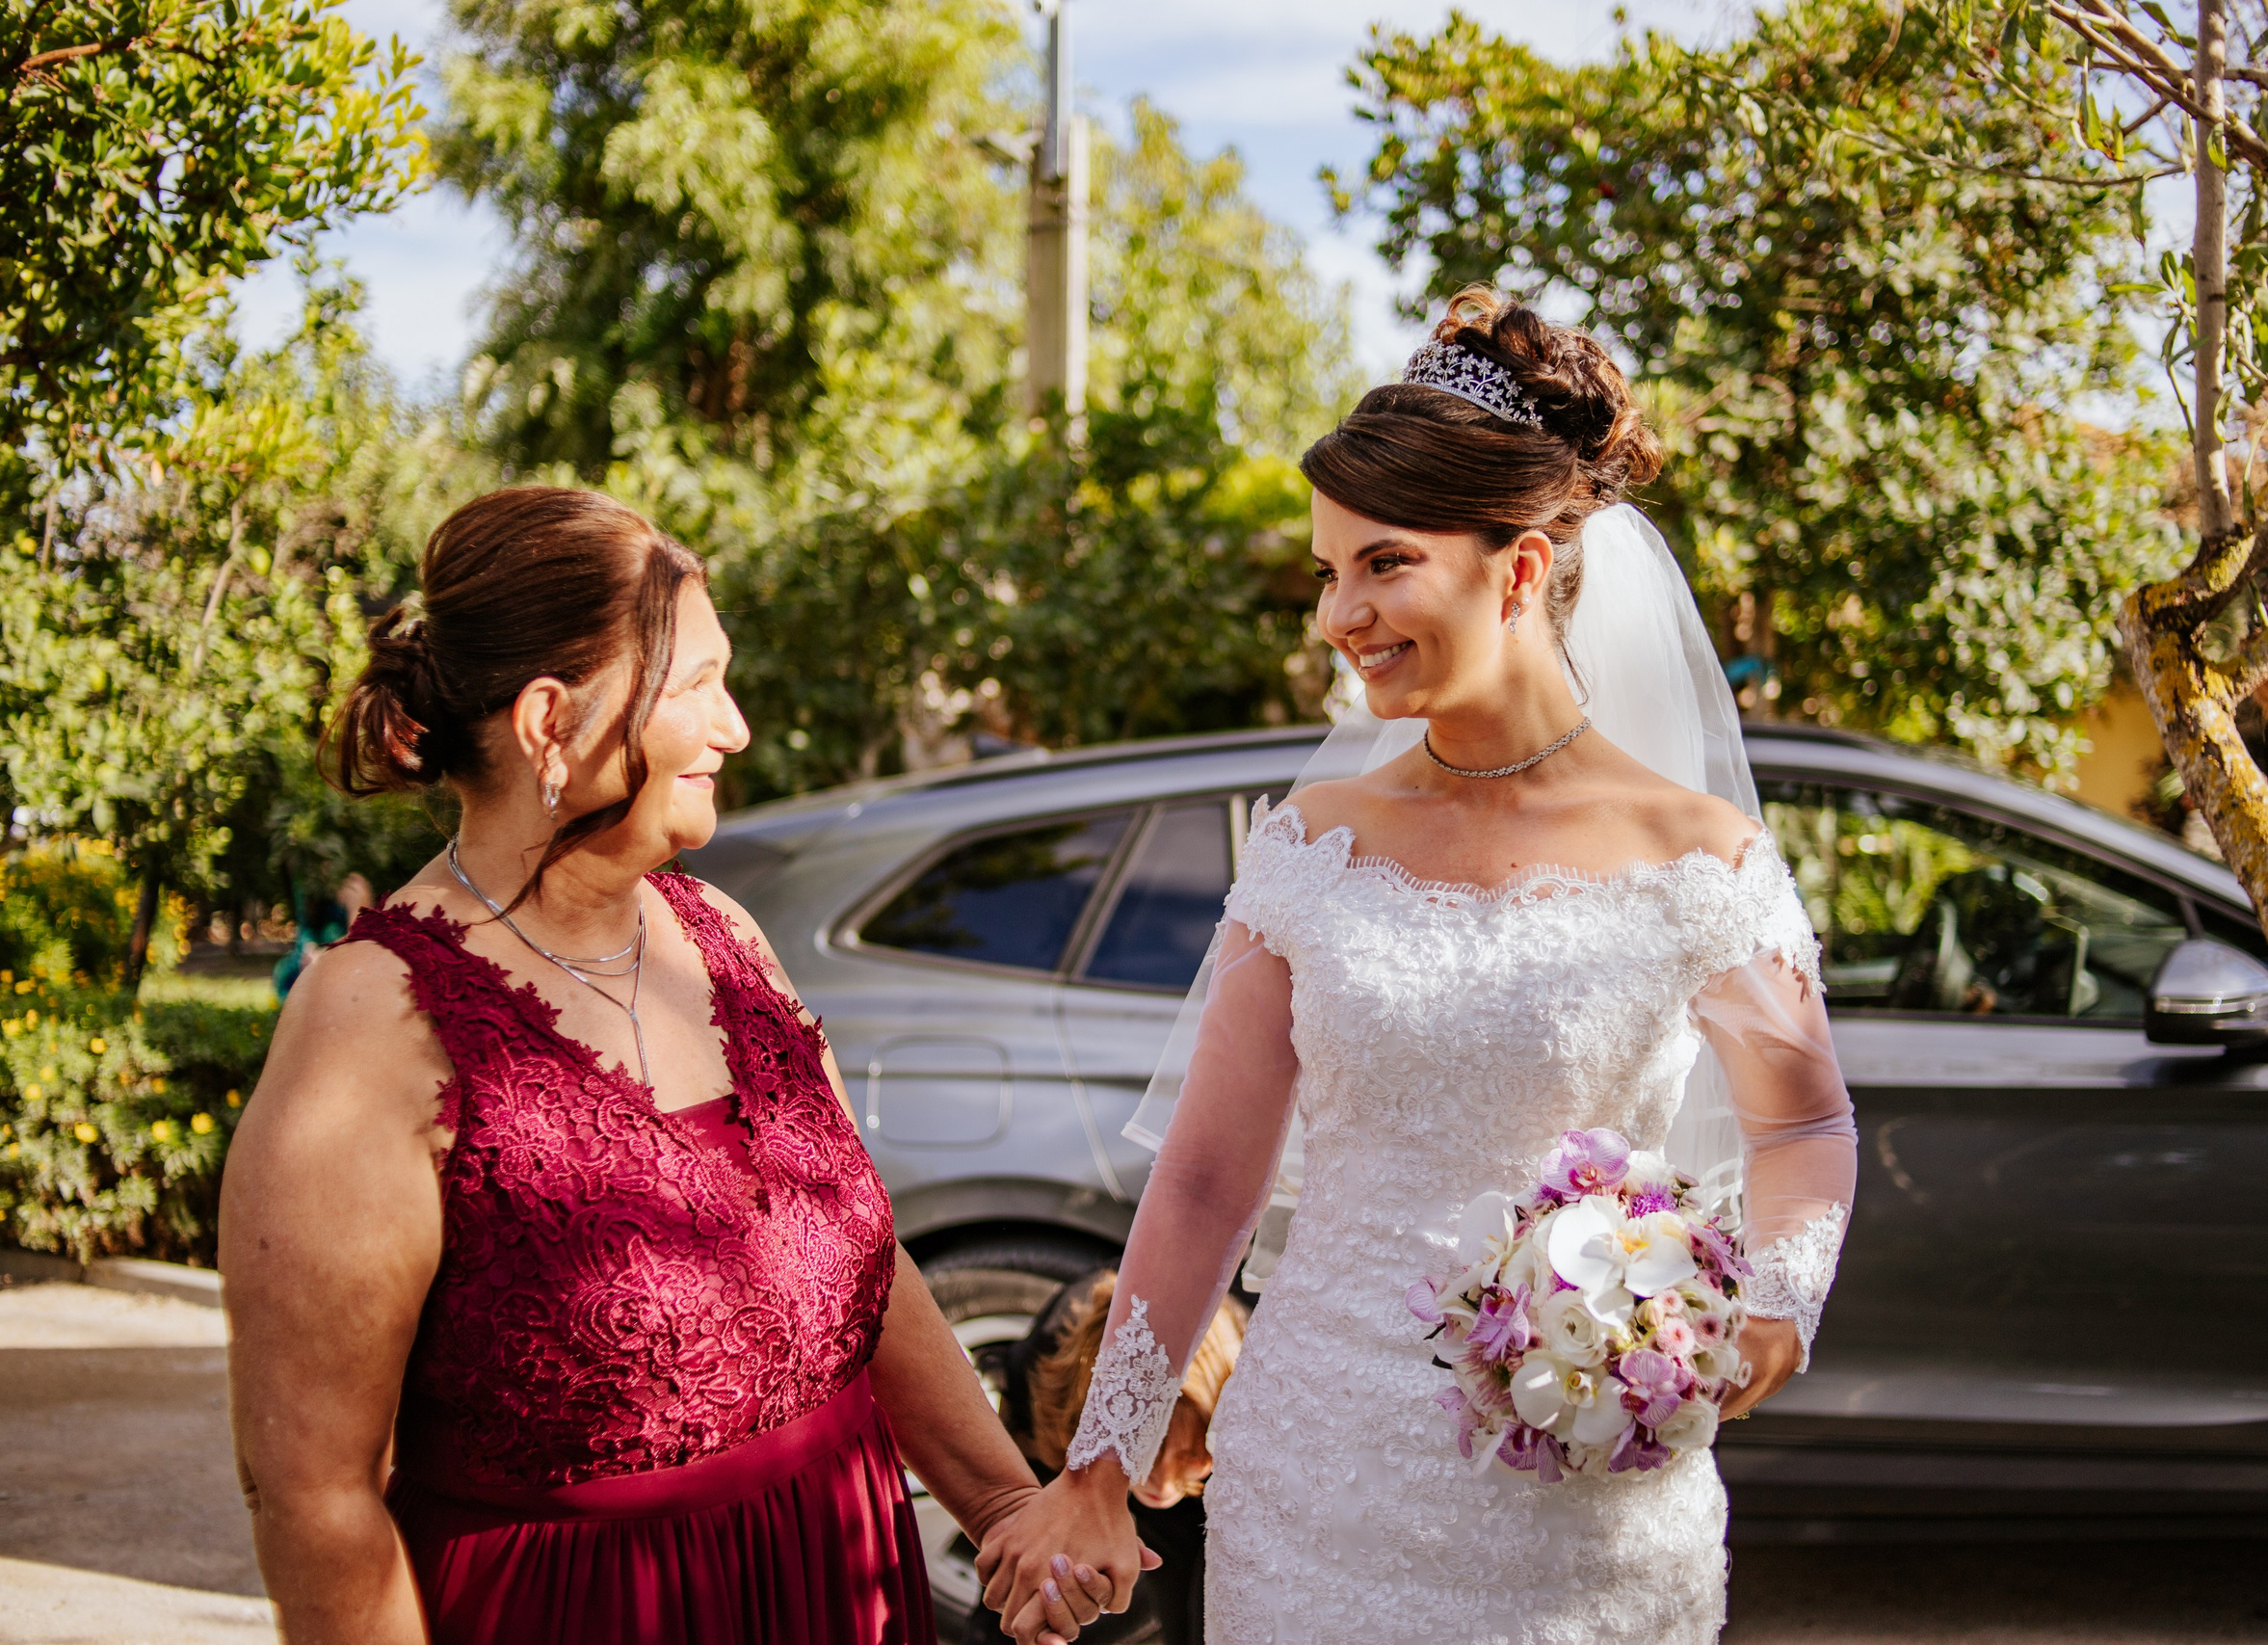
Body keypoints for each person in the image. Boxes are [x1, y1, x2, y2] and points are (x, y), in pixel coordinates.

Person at [973, 291, 1859, 1643]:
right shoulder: (1314, 845)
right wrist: (1103, 1464)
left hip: (1591, 1503)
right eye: (1330, 572)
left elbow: (1804, 1119)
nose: (1340, 613)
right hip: (1320, 1477)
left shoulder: (1700, 858)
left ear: (1518, 568)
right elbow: (1209, 1176)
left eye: (1382, 565)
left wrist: (1775, 1311)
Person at [220, 487, 1115, 1645]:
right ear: (551, 722)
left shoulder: (724, 937)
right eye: (697, 685)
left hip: (839, 1583)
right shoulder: (373, 1023)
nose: (735, 727)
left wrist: (1002, 1502)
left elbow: (859, 1265)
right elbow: (314, 1492)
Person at [965, 1269, 1245, 1645]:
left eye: (1193, 1455)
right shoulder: (1048, 1385)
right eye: (1153, 1455)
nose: (1162, 1484)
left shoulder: (1241, 1406)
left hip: (1194, 1504)